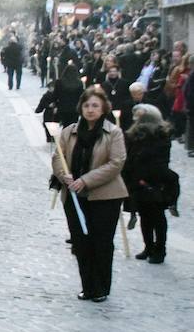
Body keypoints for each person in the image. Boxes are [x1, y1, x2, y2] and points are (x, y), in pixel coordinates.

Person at [52, 86, 128, 303]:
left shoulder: (113, 133)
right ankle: (88, 286)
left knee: (101, 242)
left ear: (103, 107)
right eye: (86, 105)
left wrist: (85, 180)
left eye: (95, 105)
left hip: (105, 197)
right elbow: (58, 155)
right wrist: (63, 175)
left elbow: (116, 163)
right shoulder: (69, 131)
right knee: (81, 242)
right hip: (75, 197)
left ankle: (101, 287)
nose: (90, 110)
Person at [123, 104, 174, 264]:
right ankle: (149, 247)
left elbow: (159, 159)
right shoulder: (134, 135)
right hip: (138, 180)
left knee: (158, 217)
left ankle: (160, 249)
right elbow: (130, 156)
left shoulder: (160, 135)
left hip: (155, 181)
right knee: (144, 215)